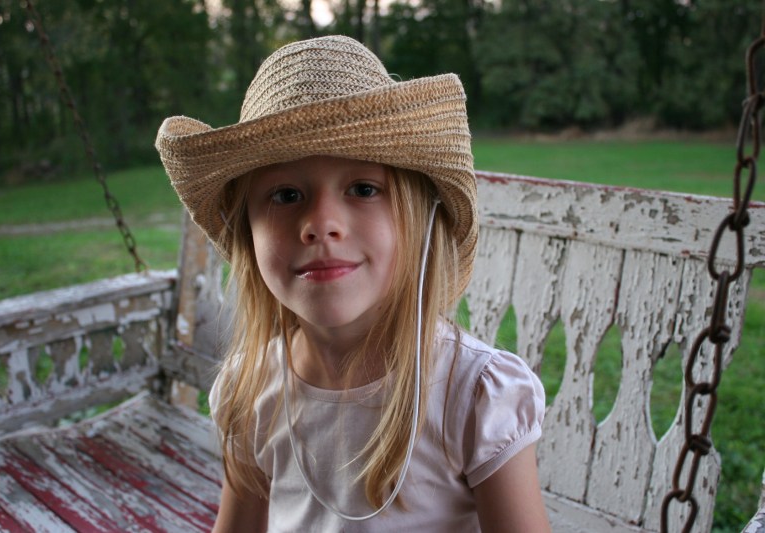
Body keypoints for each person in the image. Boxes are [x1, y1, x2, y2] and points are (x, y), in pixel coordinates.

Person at [156, 35, 549, 532]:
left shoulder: (471, 396)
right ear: (246, 233)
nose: (321, 224)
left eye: (363, 189)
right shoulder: (251, 390)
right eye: (286, 195)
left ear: (415, 220)